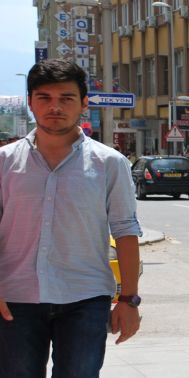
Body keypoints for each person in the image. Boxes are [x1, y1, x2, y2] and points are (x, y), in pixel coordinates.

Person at [0, 58, 142, 377]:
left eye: (66, 98)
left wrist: (129, 300)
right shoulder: (4, 163)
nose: (55, 107)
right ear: (30, 103)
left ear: (83, 103)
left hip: (85, 298)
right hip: (16, 299)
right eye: (45, 98)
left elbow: (126, 231)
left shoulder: (110, 163)